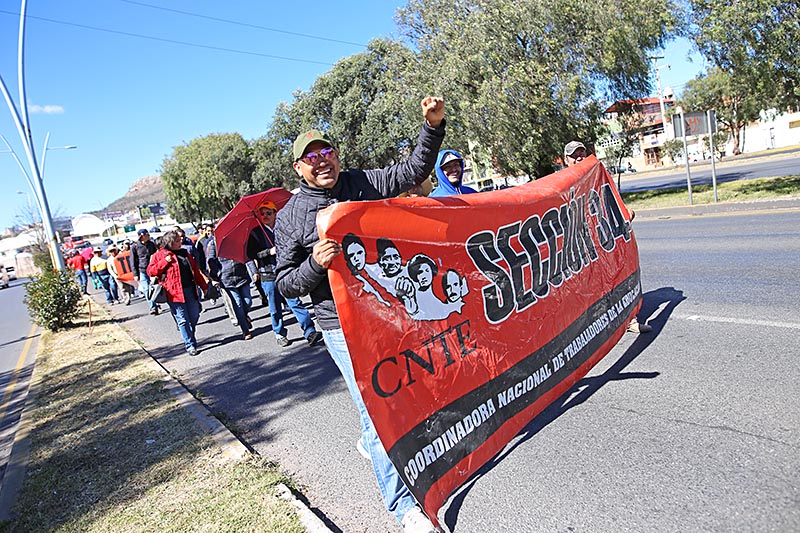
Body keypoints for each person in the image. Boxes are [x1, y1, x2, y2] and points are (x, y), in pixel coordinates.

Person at [274, 96, 446, 533]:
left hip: (387, 313)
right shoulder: (291, 218)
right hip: (341, 327)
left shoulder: (359, 184)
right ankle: (402, 507)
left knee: (408, 391)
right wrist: (315, 263)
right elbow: (285, 283)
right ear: (299, 168)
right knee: (375, 411)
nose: (321, 161)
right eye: (311, 157)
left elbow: (412, 172)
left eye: (326, 152)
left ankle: (379, 446)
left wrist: (432, 126)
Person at [563, 141, 652, 334]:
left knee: (616, 274)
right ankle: (592, 327)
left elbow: (608, 197)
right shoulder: (560, 184)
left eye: (581, 153)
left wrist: (623, 214)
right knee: (586, 287)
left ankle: (630, 319)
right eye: (574, 155)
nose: (579, 157)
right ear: (566, 160)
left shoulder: (594, 175)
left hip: (601, 239)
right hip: (579, 247)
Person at [247, 200, 322, 348]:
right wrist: (269, 252)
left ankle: (310, 331)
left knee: (295, 303)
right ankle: (280, 333)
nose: (265, 216)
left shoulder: (283, 227)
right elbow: (251, 253)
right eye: (262, 213)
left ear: (275, 213)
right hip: (268, 275)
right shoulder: (255, 233)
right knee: (275, 308)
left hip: (286, 272)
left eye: (268, 212)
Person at [147, 230, 209, 356]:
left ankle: (189, 334)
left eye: (179, 240)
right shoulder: (159, 255)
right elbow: (151, 271)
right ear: (170, 243)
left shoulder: (184, 253)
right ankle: (190, 345)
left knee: (194, 315)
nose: (180, 242)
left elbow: (195, 270)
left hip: (190, 290)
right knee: (182, 320)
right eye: (176, 241)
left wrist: (203, 285)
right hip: (173, 293)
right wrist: (165, 261)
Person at [207, 235, 254, 340]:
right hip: (226, 279)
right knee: (237, 303)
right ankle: (245, 329)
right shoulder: (215, 243)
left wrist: (254, 271)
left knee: (248, 302)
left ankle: (244, 317)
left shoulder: (237, 240)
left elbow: (246, 256)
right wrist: (218, 273)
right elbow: (210, 260)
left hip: (241, 276)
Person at [131, 228, 162, 315]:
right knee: (146, 289)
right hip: (142, 270)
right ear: (142, 236)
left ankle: (157, 302)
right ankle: (152, 306)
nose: (148, 236)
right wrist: (135, 274)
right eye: (146, 235)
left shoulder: (152, 244)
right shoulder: (135, 246)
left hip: (152, 270)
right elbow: (133, 261)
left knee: (155, 288)